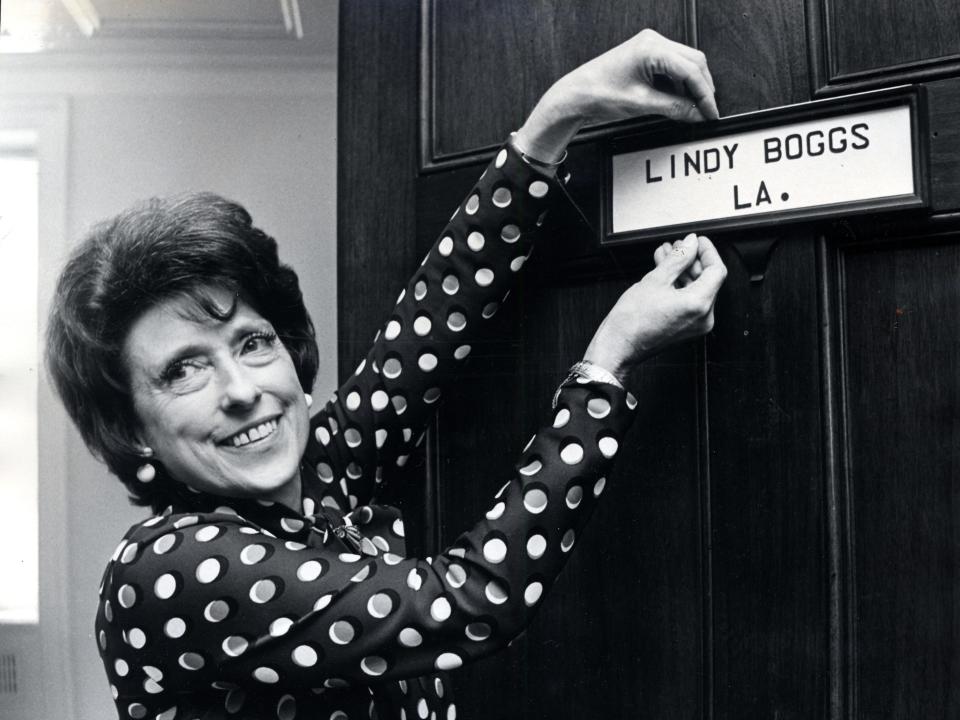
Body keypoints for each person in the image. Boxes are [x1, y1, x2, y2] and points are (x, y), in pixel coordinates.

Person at [46, 29, 726, 720]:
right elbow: (470, 602)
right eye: (185, 370)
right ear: (129, 427)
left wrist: (556, 117)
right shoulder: (164, 568)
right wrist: (607, 363)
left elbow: (429, 327)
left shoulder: (316, 483)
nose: (243, 390)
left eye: (251, 342)